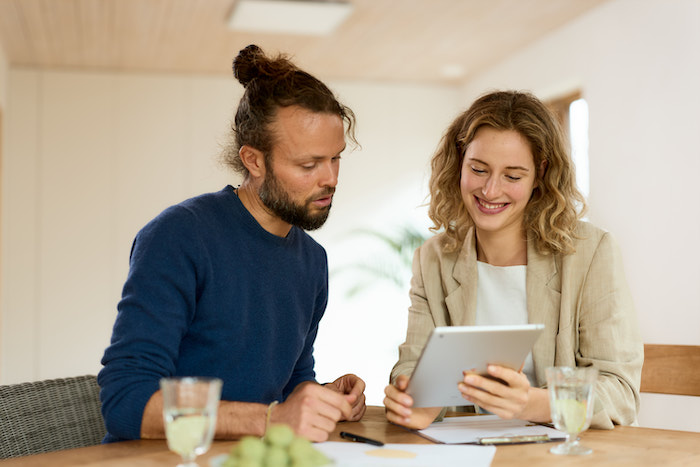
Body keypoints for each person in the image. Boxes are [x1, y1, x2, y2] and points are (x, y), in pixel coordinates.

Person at [98, 44, 366, 443]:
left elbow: (290, 382)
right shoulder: (179, 236)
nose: (331, 179)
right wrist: (272, 420)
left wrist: (318, 398)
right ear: (254, 161)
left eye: (336, 158)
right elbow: (126, 402)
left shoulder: (312, 261)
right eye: (309, 165)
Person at [384, 90, 643, 430]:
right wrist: (412, 398)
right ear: (460, 162)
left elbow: (620, 392)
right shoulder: (433, 259)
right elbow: (412, 370)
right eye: (478, 169)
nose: (490, 191)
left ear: (540, 175)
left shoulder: (591, 252)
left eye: (513, 176)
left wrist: (535, 403)